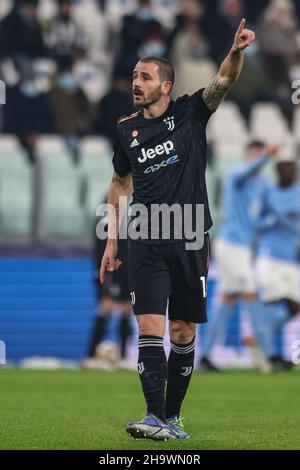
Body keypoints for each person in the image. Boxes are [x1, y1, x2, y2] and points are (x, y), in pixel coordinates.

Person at [100, 19, 255, 441]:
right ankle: (153, 417)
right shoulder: (125, 129)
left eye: (145, 76)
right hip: (145, 237)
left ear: (165, 86)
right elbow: (119, 183)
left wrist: (236, 49)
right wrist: (112, 238)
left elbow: (224, 78)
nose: (136, 81)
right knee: (150, 325)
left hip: (189, 237)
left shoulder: (191, 112)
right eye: (134, 75)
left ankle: (171, 418)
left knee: (183, 331)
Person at [199, 142, 277, 371]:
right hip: (231, 245)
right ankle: (269, 356)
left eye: (259, 155)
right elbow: (248, 171)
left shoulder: (262, 185)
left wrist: (272, 221)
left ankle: (205, 356)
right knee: (251, 295)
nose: (256, 159)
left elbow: (257, 220)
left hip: (242, 248)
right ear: (247, 156)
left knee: (227, 299)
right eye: (253, 155)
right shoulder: (236, 175)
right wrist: (266, 156)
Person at [255, 154, 300, 371]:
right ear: (279, 173)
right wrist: (271, 220)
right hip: (269, 256)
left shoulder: (299, 193)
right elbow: (256, 222)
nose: (290, 174)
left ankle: (259, 337)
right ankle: (272, 355)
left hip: (290, 258)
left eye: (293, 171)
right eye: (286, 171)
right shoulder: (269, 193)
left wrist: (282, 220)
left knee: (294, 307)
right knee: (273, 305)